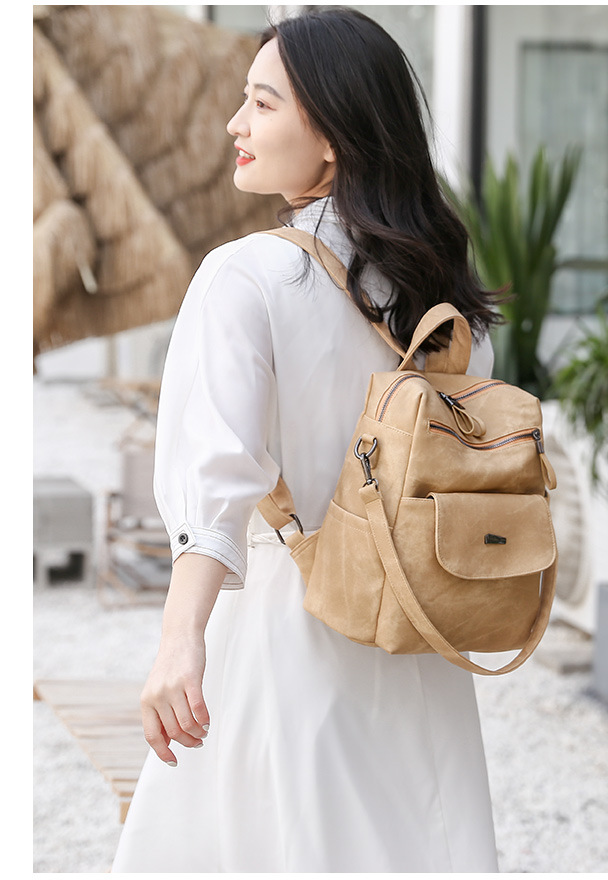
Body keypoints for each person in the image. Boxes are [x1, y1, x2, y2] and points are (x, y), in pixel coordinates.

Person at [112, 8, 501, 872]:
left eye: (261, 103)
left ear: (330, 136)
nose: (234, 124)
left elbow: (217, 481)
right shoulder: (443, 302)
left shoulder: (248, 276)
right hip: (421, 640)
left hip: (290, 627)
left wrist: (180, 640)